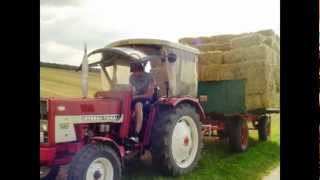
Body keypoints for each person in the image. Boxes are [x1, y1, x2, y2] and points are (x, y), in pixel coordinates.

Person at [128, 61, 155, 143]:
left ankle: (136, 135)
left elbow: (150, 94)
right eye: (132, 72)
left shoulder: (149, 77)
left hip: (146, 99)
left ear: (140, 69)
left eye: (135, 71)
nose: (134, 74)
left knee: (138, 105)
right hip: (135, 98)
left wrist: (135, 97)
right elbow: (132, 90)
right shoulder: (132, 77)